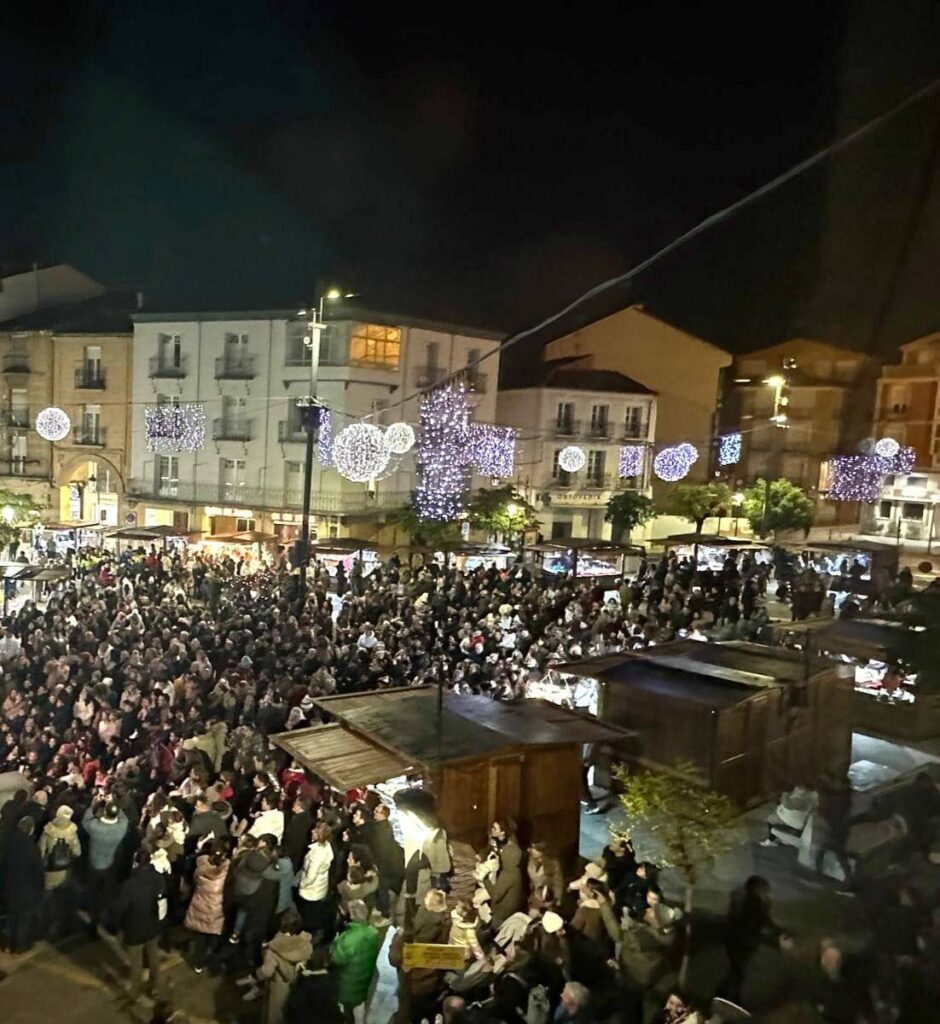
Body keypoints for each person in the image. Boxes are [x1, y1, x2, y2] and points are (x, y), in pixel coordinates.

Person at [237, 907, 313, 1024]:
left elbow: (267, 971)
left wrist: (254, 976)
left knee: (275, 1014)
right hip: (296, 983)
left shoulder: (274, 948)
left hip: (279, 984)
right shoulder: (305, 942)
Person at [114, 849, 169, 1000]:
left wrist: (119, 927)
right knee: (153, 957)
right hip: (153, 926)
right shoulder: (158, 878)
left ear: (136, 863)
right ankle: (155, 986)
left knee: (136, 963)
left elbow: (120, 909)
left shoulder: (130, 885)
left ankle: (135, 991)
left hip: (135, 929)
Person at [329, 899, 380, 1024]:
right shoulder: (373, 932)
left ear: (351, 916)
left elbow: (335, 958)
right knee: (358, 1010)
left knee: (345, 1012)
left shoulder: (348, 939)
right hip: (363, 982)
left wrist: (336, 940)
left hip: (347, 985)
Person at [184, 839, 229, 972]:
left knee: (200, 940)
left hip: (200, 907)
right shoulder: (226, 873)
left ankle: (198, 963)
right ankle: (208, 960)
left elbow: (194, 881)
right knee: (213, 938)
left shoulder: (200, 868)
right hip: (216, 912)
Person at [1, 815, 44, 953]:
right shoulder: (32, 849)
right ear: (30, 830)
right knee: (23, 921)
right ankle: (18, 947)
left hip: (8, 888)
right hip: (26, 892)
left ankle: (6, 944)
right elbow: (38, 873)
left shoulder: (7, 843)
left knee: (11, 918)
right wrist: (39, 891)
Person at [296, 823, 334, 939]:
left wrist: (302, 884)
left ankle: (309, 934)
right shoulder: (326, 846)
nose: (312, 831)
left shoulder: (316, 855)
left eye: (316, 831)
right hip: (320, 886)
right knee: (314, 911)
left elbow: (310, 877)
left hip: (311, 890)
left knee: (309, 914)